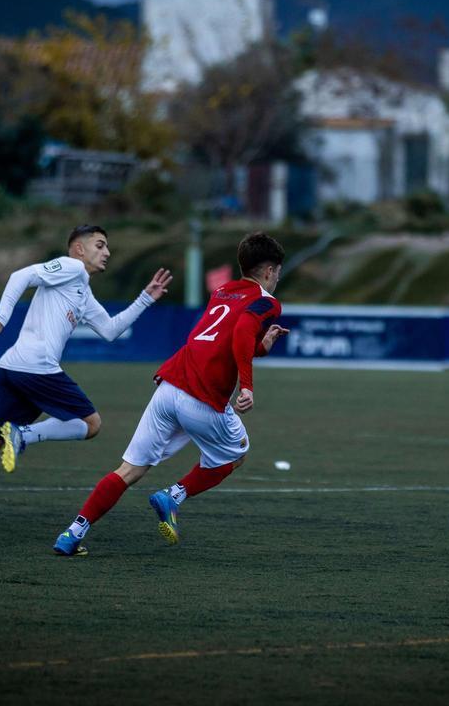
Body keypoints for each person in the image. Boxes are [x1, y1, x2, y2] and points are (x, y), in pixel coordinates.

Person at [0, 225, 172, 531]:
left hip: (12, 368)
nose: (107, 252)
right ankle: (23, 435)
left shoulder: (83, 290)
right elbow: (20, 276)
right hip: (36, 366)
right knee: (91, 424)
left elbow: (110, 330)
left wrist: (145, 298)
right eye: (100, 245)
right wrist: (1, 317)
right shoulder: (71, 267)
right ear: (79, 249)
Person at [53, 232, 289, 556]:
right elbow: (243, 331)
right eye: (278, 272)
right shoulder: (268, 302)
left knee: (129, 470)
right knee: (236, 454)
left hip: (170, 385)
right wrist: (246, 385)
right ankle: (173, 496)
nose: (278, 278)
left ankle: (72, 533)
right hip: (202, 396)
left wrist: (260, 347)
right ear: (270, 271)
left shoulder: (222, 291)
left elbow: (221, 339)